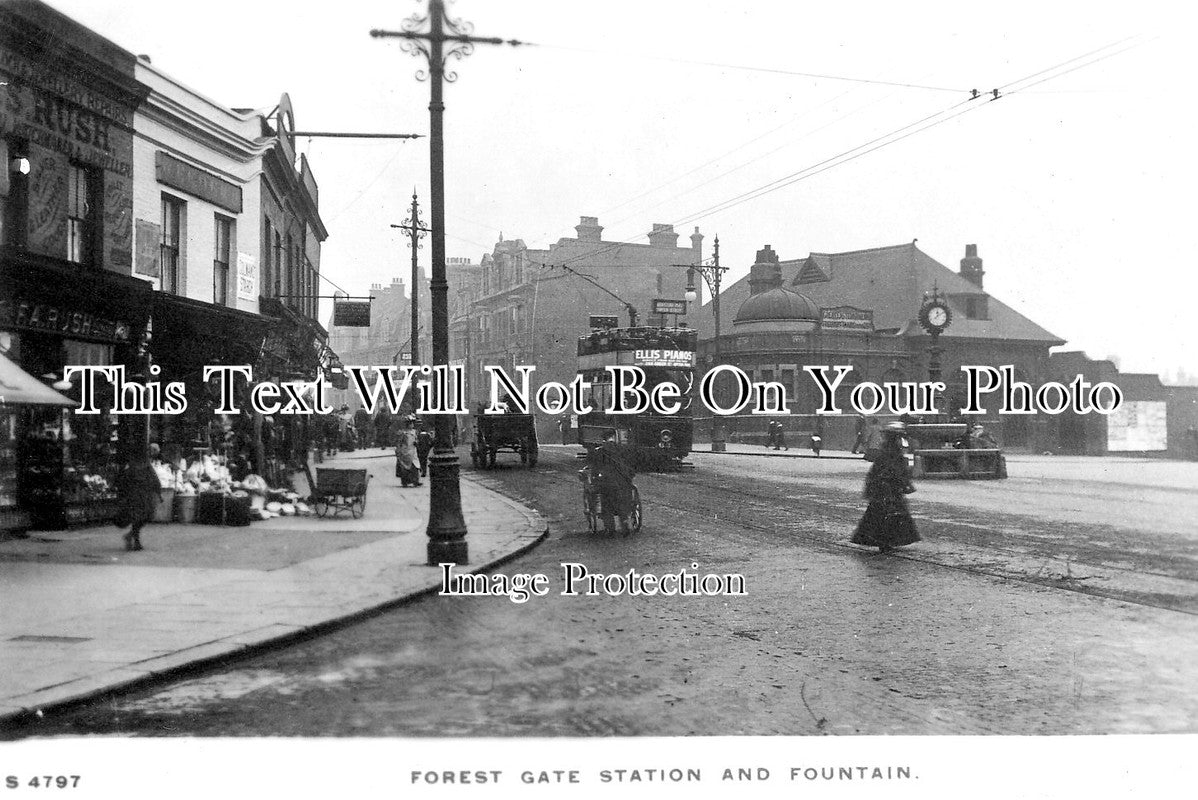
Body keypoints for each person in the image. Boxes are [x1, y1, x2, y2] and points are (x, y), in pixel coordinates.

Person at [851, 423, 920, 553]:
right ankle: (887, 541)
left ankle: (884, 540)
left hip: (884, 490)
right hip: (888, 490)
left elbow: (877, 472)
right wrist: (905, 483)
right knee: (888, 515)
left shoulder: (887, 452)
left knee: (881, 515)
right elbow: (894, 471)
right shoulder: (892, 453)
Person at [587, 431, 637, 535]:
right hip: (622, 482)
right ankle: (625, 525)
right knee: (623, 503)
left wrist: (595, 480)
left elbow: (595, 468)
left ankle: (610, 528)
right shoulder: (623, 449)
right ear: (614, 437)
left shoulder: (599, 451)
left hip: (606, 482)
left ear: (603, 439)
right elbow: (630, 465)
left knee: (606, 504)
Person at [115, 448, 163, 552]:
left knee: (145, 517)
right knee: (139, 518)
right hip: (137, 496)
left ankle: (131, 536)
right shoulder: (136, 467)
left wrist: (158, 492)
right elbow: (154, 479)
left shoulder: (142, 467)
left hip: (142, 496)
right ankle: (135, 540)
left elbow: (154, 480)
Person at [394, 417, 421, 487]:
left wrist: (416, 442)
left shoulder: (414, 432)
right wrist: (398, 450)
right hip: (405, 451)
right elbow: (399, 442)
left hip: (413, 450)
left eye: (412, 424)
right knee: (405, 467)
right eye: (411, 424)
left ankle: (416, 480)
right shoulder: (403, 433)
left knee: (415, 465)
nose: (412, 425)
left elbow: (416, 439)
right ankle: (405, 481)